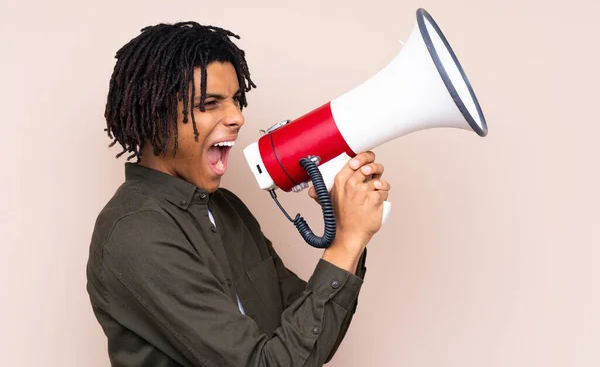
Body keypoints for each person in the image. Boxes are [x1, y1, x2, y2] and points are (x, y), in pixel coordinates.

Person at [86, 21, 390, 367]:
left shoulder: (227, 208)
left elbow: (305, 341)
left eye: (235, 100)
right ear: (158, 117)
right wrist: (347, 243)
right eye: (211, 103)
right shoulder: (136, 233)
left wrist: (347, 225)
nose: (237, 117)